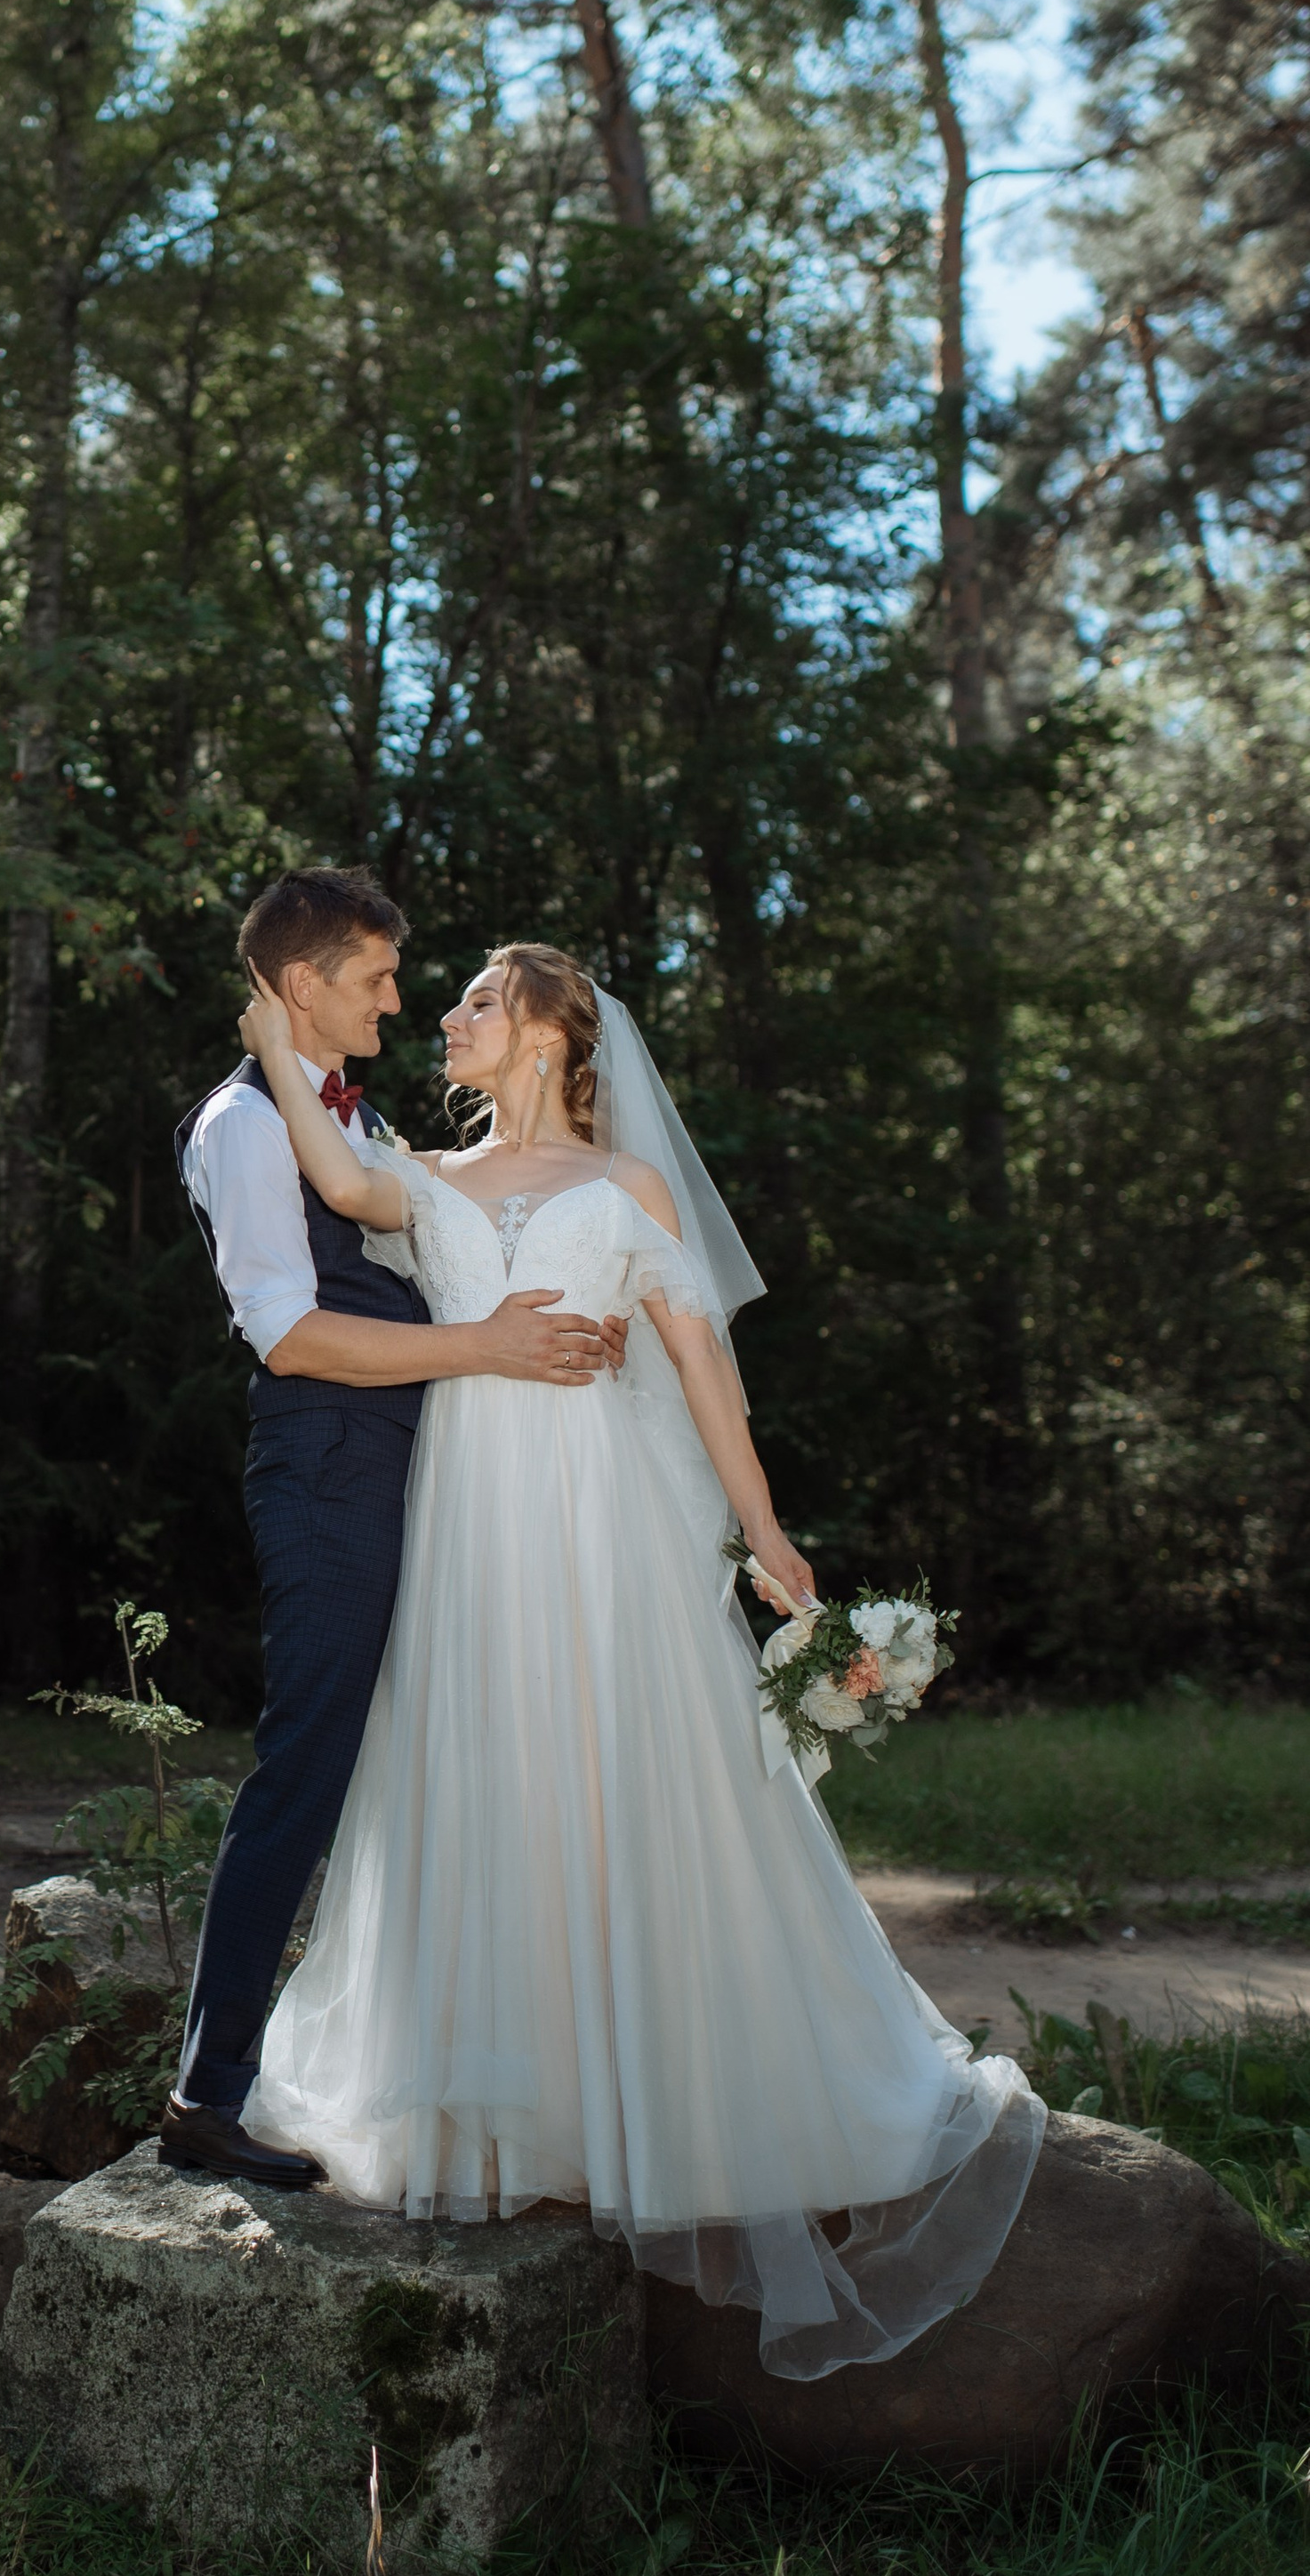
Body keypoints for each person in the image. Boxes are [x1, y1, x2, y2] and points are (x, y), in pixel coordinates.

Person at [232, 938, 1044, 2378]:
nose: (455, 1020)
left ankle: (664, 2101)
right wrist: (284, 1059)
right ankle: (513, 2108)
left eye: (483, 1000)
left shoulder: (630, 1191)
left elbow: (704, 1369)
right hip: (467, 1529)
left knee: (615, 1781)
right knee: (485, 1780)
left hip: (598, 1528)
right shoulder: (426, 1176)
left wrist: (767, 1532)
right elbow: (349, 1188)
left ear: (550, 1034)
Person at [161, 869, 629, 2195]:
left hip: (416, 1471)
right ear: (302, 985)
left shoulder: (338, 1120)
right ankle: (207, 2094)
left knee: (423, 1769)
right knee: (308, 1766)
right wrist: (479, 1343)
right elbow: (291, 1330)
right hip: (327, 1474)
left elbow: (435, 1224)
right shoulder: (243, 1128)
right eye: (374, 974)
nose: (396, 997)